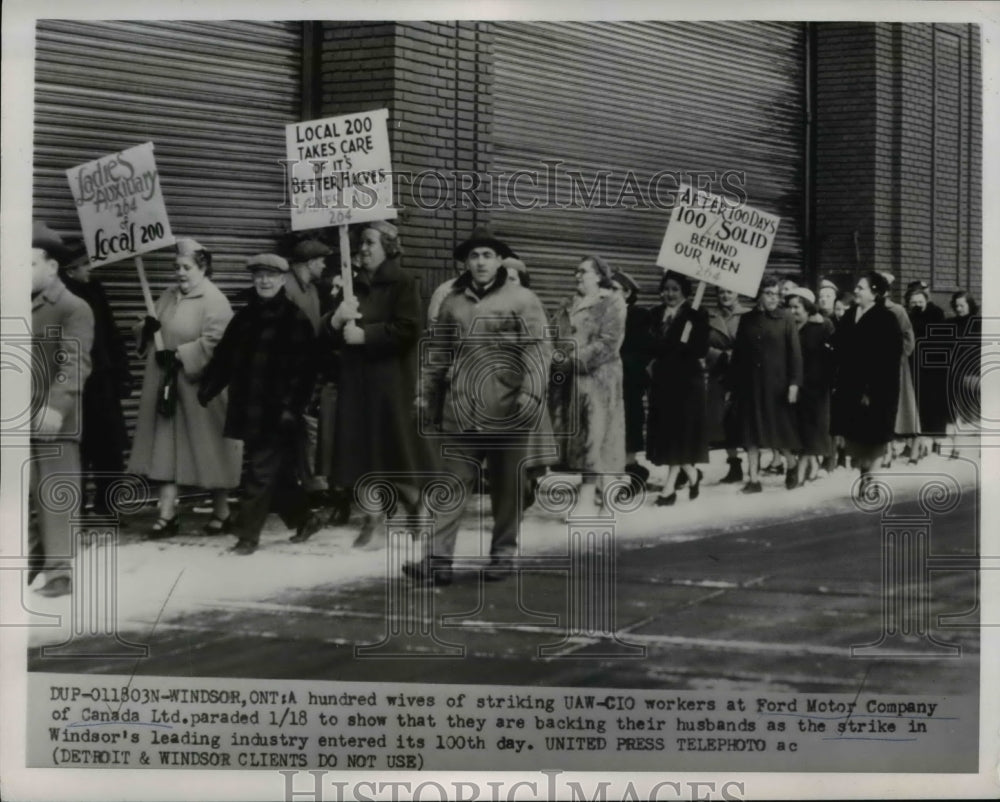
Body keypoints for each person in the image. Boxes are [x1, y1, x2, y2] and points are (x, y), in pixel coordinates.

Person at [408, 227, 552, 585]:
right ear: (466, 262)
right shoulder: (453, 302)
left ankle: (503, 555)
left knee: (508, 490)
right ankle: (437, 560)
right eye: (474, 256)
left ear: (500, 260)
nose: (480, 262)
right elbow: (438, 354)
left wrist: (530, 395)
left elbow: (538, 351)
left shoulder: (523, 300)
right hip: (461, 410)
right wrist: (425, 394)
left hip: (508, 410)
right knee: (452, 485)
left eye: (487, 255)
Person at [319, 221, 431, 546]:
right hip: (356, 381)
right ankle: (372, 520)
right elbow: (326, 331)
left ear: (389, 246)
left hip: (391, 383)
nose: (363, 249)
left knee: (395, 449)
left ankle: (415, 506)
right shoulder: (350, 285)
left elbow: (409, 328)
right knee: (362, 451)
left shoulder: (403, 283)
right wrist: (336, 320)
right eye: (361, 243)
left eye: (370, 242)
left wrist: (366, 335)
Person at [198, 254, 318, 554]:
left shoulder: (295, 319)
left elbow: (305, 372)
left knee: (259, 472)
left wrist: (292, 409)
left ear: (282, 280)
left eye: (271, 276)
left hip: (279, 413)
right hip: (248, 408)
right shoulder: (245, 317)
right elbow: (225, 357)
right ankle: (305, 518)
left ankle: (247, 536)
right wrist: (210, 387)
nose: (264, 281)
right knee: (273, 473)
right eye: (259, 276)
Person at [127, 239, 242, 537]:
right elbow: (152, 326)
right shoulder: (167, 295)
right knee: (165, 446)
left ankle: (222, 512)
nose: (179, 273)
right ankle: (167, 514)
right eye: (176, 267)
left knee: (210, 449)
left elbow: (219, 342)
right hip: (167, 385)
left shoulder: (214, 301)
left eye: (186, 267)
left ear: (203, 267)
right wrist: (145, 329)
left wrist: (181, 355)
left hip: (199, 389)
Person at [29, 222, 95, 597]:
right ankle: (27, 565)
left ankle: (59, 574)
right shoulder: (21, 303)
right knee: (26, 495)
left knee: (56, 494)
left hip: (57, 419)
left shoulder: (73, 307)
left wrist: (56, 407)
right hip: (22, 417)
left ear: (52, 267)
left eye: (29, 263)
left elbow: (76, 364)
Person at [549, 255, 627, 514]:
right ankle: (606, 499)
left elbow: (608, 343)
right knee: (585, 440)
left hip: (600, 381)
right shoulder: (568, 305)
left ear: (598, 276)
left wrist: (573, 359)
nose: (577, 276)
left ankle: (589, 499)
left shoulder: (612, 302)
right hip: (573, 383)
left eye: (583, 271)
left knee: (598, 438)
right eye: (575, 271)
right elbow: (554, 336)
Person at [59, 252, 133, 517]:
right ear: (70, 270)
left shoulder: (96, 292)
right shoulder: (61, 299)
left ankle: (108, 507)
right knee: (76, 451)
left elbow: (112, 333)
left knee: (109, 449)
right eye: (84, 265)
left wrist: (123, 373)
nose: (90, 269)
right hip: (76, 385)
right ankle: (74, 512)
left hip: (103, 383)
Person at [729, 275, 802, 493]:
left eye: (776, 294)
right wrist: (733, 387)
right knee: (751, 434)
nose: (773, 298)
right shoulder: (747, 319)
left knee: (778, 432)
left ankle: (791, 464)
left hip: (777, 387)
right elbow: (739, 356)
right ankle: (753, 479)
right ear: (759, 294)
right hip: (751, 387)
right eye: (769, 293)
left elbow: (795, 355)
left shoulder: (786, 318)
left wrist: (794, 384)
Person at [830, 271, 903, 490]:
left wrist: (871, 391)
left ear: (874, 293)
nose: (856, 291)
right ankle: (865, 477)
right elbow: (838, 343)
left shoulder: (886, 318)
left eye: (861, 288)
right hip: (851, 386)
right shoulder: (851, 313)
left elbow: (890, 358)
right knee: (858, 437)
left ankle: (872, 481)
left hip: (877, 389)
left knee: (875, 438)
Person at [645, 271, 710, 504]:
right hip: (663, 382)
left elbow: (700, 349)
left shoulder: (697, 314)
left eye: (674, 289)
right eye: (666, 289)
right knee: (669, 435)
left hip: (686, 383)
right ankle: (691, 474)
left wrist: (691, 328)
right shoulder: (655, 314)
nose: (669, 294)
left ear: (684, 291)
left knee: (677, 435)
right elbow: (650, 346)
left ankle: (669, 489)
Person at [284, 238, 333, 506]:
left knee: (307, 429)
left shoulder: (312, 290)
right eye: (322, 260)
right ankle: (305, 486)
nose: (325, 265)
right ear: (310, 262)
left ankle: (313, 485)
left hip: (308, 372)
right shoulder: (287, 288)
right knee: (297, 430)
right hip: (291, 373)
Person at [786, 288, 834, 487]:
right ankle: (809, 465)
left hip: (816, 385)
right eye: (789, 307)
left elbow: (832, 357)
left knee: (812, 428)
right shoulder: (788, 326)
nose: (792, 311)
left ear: (807, 307)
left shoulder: (823, 326)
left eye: (796, 307)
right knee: (796, 427)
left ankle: (802, 469)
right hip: (794, 384)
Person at [611, 270, 652, 488]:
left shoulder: (638, 315)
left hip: (629, 381)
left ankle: (632, 471)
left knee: (630, 426)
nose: (609, 293)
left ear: (628, 293)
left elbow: (644, 350)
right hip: (606, 382)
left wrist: (621, 362)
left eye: (615, 289)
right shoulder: (603, 314)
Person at [705, 287, 749, 484]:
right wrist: (720, 356)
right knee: (723, 421)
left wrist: (738, 356)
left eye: (730, 292)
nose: (725, 296)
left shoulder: (749, 315)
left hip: (744, 374)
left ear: (737, 293)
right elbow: (698, 344)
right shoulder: (708, 316)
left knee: (746, 419)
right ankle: (734, 464)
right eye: (721, 292)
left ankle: (754, 465)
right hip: (719, 372)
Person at [878, 273, 919, 467]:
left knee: (897, 410)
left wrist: (898, 357)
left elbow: (908, 338)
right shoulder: (866, 310)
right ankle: (886, 451)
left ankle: (904, 449)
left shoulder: (897, 311)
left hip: (895, 368)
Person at [906, 283, 948, 460]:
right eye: (913, 301)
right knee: (916, 404)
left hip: (931, 367)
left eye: (920, 301)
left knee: (929, 404)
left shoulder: (935, 314)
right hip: (913, 365)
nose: (917, 304)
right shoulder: (909, 316)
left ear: (926, 300)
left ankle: (928, 442)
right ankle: (917, 443)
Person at [945, 290, 981, 457]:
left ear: (970, 305)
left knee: (979, 411)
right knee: (955, 412)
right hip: (954, 373)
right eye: (957, 305)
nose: (959, 309)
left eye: (962, 305)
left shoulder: (979, 323)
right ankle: (956, 447)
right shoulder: (949, 323)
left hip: (975, 373)